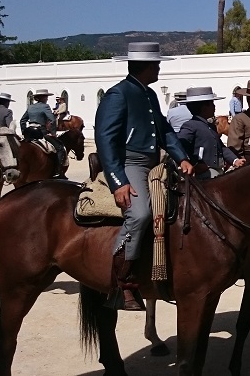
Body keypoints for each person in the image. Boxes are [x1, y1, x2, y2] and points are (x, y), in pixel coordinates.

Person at [95, 42, 192, 311]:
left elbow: (164, 130)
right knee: (139, 214)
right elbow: (105, 139)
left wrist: (181, 157)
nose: (159, 68)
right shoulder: (118, 94)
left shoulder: (148, 94)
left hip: (154, 161)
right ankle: (121, 282)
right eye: (157, 64)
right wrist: (118, 181)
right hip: (131, 163)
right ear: (147, 66)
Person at [177, 87, 245, 178]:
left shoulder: (210, 126)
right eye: (211, 104)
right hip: (204, 174)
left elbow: (221, 148)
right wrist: (195, 164)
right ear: (203, 107)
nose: (214, 106)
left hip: (217, 171)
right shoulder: (190, 125)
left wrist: (235, 160)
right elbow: (181, 145)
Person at [21, 88, 67, 173]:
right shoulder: (45, 106)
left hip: (29, 132)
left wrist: (24, 132)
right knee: (60, 148)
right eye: (46, 97)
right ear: (42, 98)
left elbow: (22, 120)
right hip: (40, 132)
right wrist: (53, 133)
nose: (47, 99)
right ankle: (58, 171)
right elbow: (52, 120)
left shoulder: (30, 107)